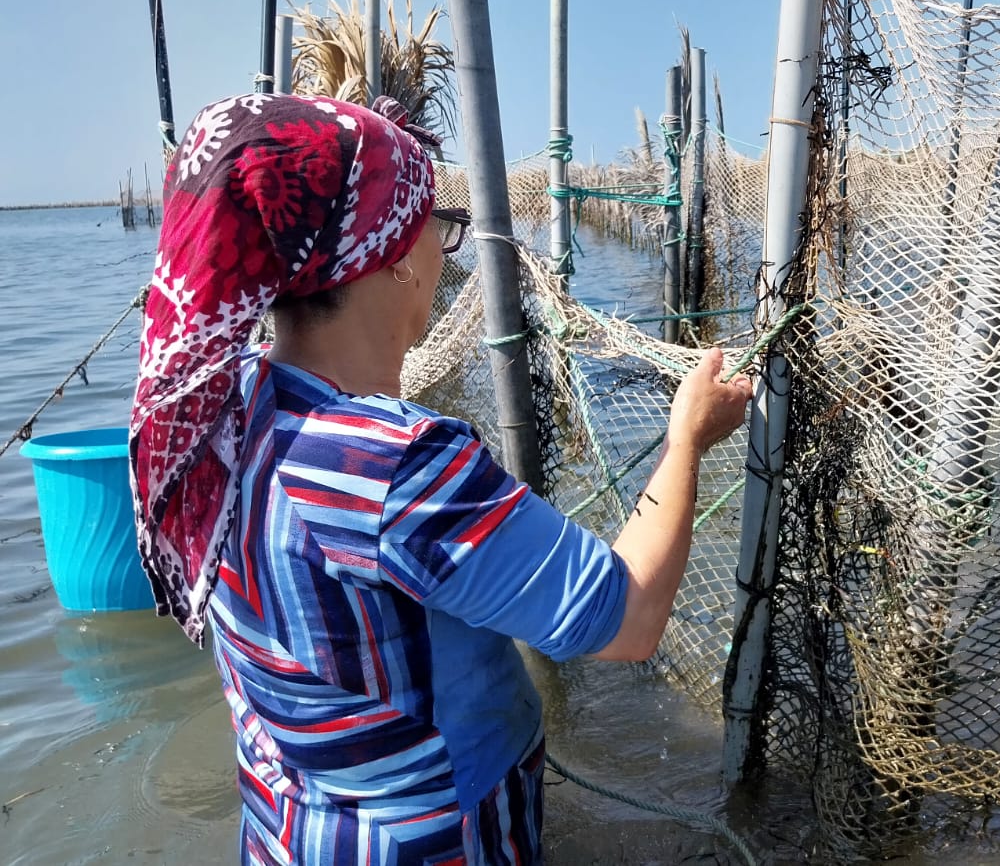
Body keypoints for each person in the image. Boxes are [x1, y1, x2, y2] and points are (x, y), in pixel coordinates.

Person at [129, 93, 753, 865]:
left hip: (290, 829)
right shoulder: (392, 465)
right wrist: (687, 439)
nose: (441, 253)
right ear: (389, 256)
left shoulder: (224, 415)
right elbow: (629, 619)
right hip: (431, 842)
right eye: (437, 227)